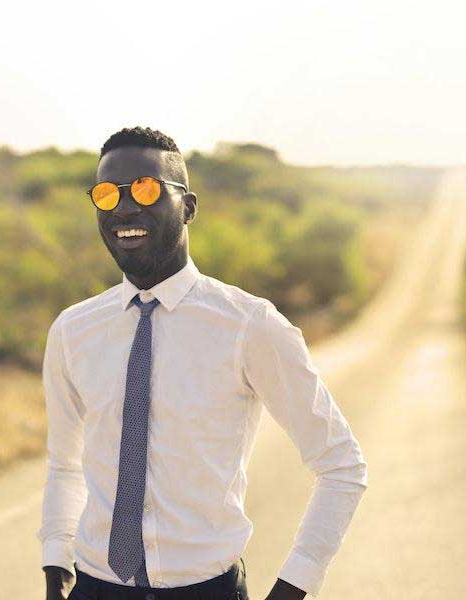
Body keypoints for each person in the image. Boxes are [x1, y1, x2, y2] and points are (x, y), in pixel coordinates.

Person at [38, 126, 368, 600]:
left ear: (188, 207)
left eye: (146, 189)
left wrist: (296, 585)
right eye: (107, 194)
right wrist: (56, 565)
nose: (124, 209)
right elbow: (64, 464)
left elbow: (342, 465)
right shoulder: (73, 330)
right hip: (95, 587)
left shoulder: (249, 325)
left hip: (205, 590)